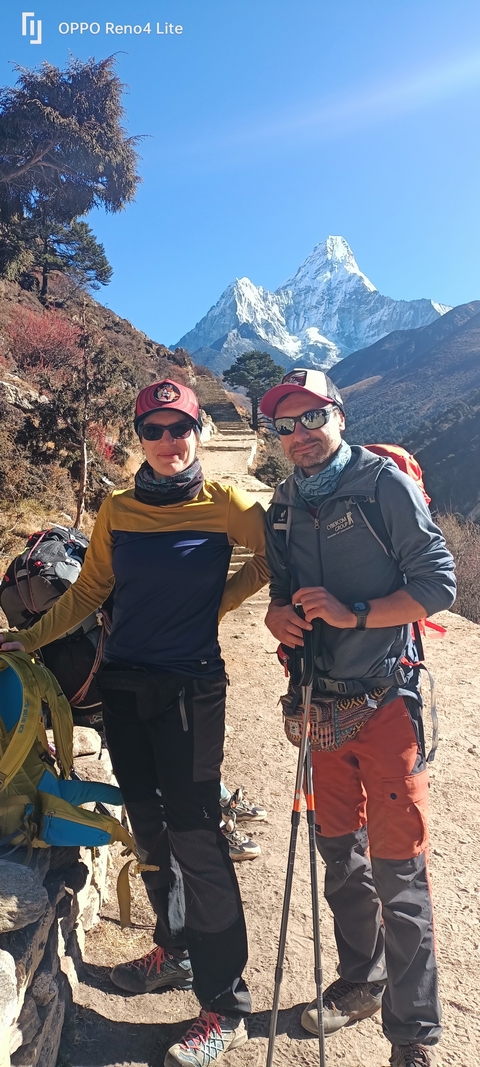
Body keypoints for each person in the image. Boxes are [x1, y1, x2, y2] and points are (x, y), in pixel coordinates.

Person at [1, 378, 270, 1067]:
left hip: (190, 688)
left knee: (197, 838)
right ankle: (175, 950)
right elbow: (90, 590)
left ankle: (225, 1004)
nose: (169, 441)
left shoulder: (227, 504)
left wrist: (218, 602)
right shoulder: (118, 508)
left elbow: (275, 558)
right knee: (148, 826)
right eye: (154, 429)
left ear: (199, 433)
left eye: (180, 427)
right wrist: (28, 639)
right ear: (139, 439)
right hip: (124, 684)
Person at [259, 368, 456, 1067]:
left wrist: (357, 615)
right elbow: (282, 593)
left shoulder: (382, 486)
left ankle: (413, 1037)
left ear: (340, 416)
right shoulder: (283, 505)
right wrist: (276, 616)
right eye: (286, 425)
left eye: (313, 417)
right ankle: (362, 980)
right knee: (341, 856)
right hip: (320, 705)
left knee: (399, 873)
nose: (301, 434)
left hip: (387, 701)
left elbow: (438, 583)